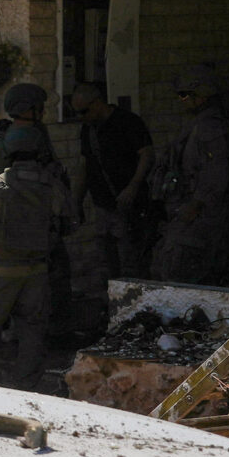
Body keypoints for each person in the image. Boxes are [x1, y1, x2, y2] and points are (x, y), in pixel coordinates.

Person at [0, 127, 73, 389]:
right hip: (36, 273)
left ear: (8, 152)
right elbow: (68, 226)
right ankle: (26, 389)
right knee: (33, 333)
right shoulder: (52, 186)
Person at [68, 81, 155, 296]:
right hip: (103, 206)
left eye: (84, 111)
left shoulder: (127, 122)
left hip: (128, 206)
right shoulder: (89, 131)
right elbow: (85, 166)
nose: (81, 117)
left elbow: (147, 154)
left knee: (131, 263)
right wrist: (76, 202)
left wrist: (133, 186)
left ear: (97, 103)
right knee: (107, 264)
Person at [153, 65, 229, 283]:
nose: (181, 101)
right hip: (188, 208)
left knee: (179, 267)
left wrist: (196, 204)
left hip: (200, 213)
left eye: (184, 95)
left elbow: (216, 174)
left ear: (200, 96)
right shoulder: (195, 125)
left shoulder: (209, 127)